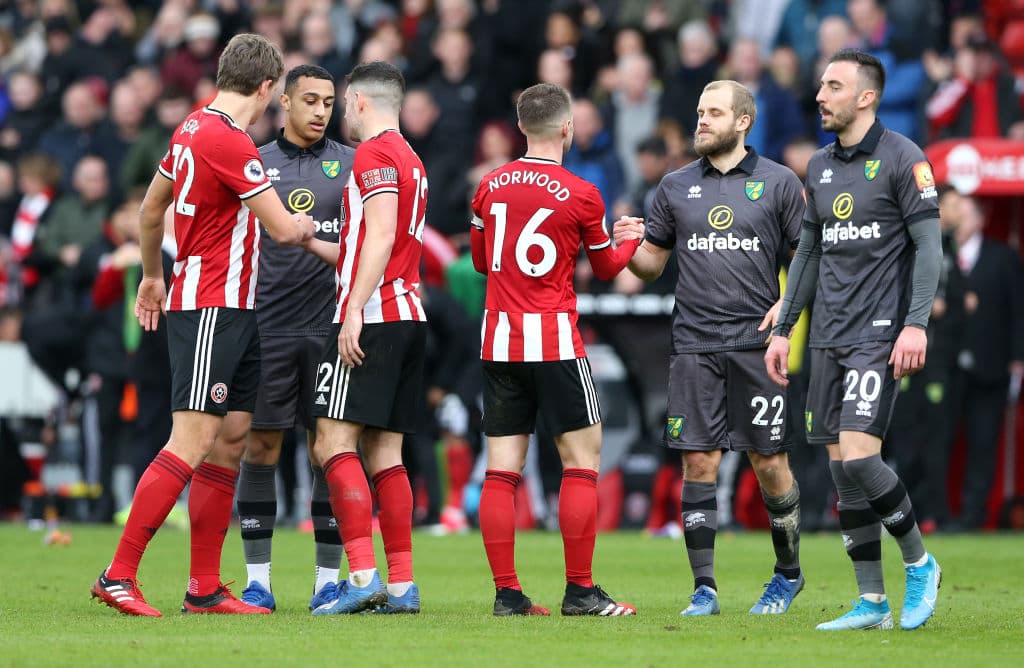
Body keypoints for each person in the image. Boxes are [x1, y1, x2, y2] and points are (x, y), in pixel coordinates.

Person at [90, 33, 314, 618]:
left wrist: (151, 276)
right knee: (190, 442)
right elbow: (285, 230)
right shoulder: (228, 140)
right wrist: (345, 236)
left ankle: (205, 588)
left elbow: (149, 209)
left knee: (231, 441)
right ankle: (117, 574)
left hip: (233, 309)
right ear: (268, 88)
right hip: (211, 307)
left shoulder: (192, 127)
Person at [613, 80, 806, 617]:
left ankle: (788, 575)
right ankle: (705, 589)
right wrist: (626, 247)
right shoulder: (674, 187)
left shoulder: (779, 183)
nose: (701, 121)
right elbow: (652, 264)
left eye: (713, 113)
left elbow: (809, 256)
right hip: (694, 345)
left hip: (755, 346)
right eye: (699, 112)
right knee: (698, 461)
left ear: (743, 121)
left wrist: (787, 308)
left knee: (769, 463)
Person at [765, 48, 942, 631]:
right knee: (841, 471)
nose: (820, 95)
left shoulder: (903, 157)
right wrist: (786, 327)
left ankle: (920, 563)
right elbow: (810, 252)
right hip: (828, 336)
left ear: (866, 97)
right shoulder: (817, 166)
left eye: (834, 86)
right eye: (820, 85)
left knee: (863, 458)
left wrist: (915, 323)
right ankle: (871, 602)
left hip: (879, 331)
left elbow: (929, 248)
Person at [470, 82, 639, 617]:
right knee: (581, 463)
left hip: (498, 342)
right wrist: (628, 238)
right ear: (567, 128)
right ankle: (581, 591)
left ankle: (507, 594)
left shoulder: (489, 186)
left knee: (501, 471)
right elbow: (608, 269)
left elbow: (479, 262)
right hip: (556, 341)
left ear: (521, 127)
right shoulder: (583, 192)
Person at [210, 64, 353, 613]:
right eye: (310, 101)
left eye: (328, 102)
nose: (320, 111)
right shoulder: (255, 162)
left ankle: (326, 583)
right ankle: (258, 582)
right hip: (265, 329)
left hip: (331, 329)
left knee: (330, 453)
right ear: (284, 102)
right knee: (260, 448)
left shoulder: (353, 164)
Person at [302, 61, 426, 615]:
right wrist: (311, 244)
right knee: (386, 454)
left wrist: (351, 309)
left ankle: (361, 575)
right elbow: (379, 241)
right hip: (406, 313)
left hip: (373, 314)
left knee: (332, 442)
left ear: (357, 101)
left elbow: (379, 236)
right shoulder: (411, 158)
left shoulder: (374, 154)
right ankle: (401, 585)